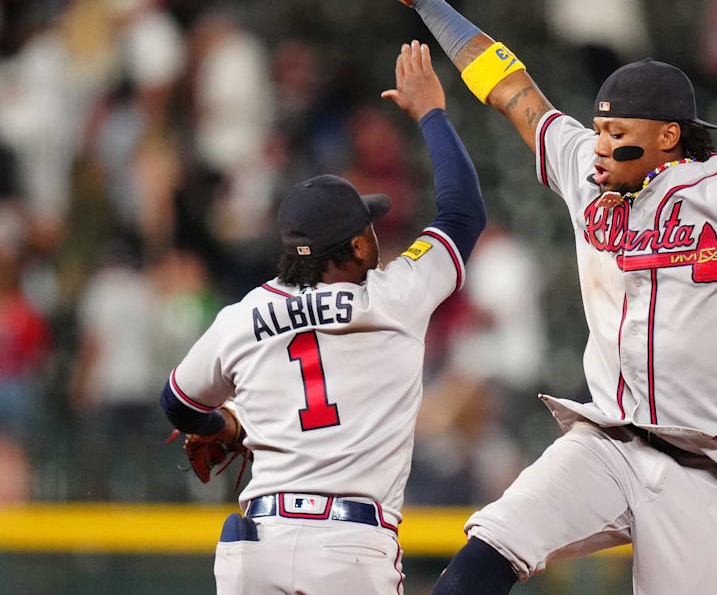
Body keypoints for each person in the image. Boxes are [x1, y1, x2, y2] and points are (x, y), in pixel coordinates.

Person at [383, 0, 717, 594]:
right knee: (489, 549)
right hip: (606, 442)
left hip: (708, 474)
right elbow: (511, 89)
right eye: (600, 128)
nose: (601, 144)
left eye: (617, 131)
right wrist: (427, 0)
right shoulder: (587, 171)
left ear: (668, 136)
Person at [159, 41, 485, 595]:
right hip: (349, 549)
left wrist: (226, 427)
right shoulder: (396, 294)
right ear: (357, 248)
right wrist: (431, 111)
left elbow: (179, 403)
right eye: (370, 229)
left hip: (255, 543)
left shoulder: (243, 315)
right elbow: (462, 212)